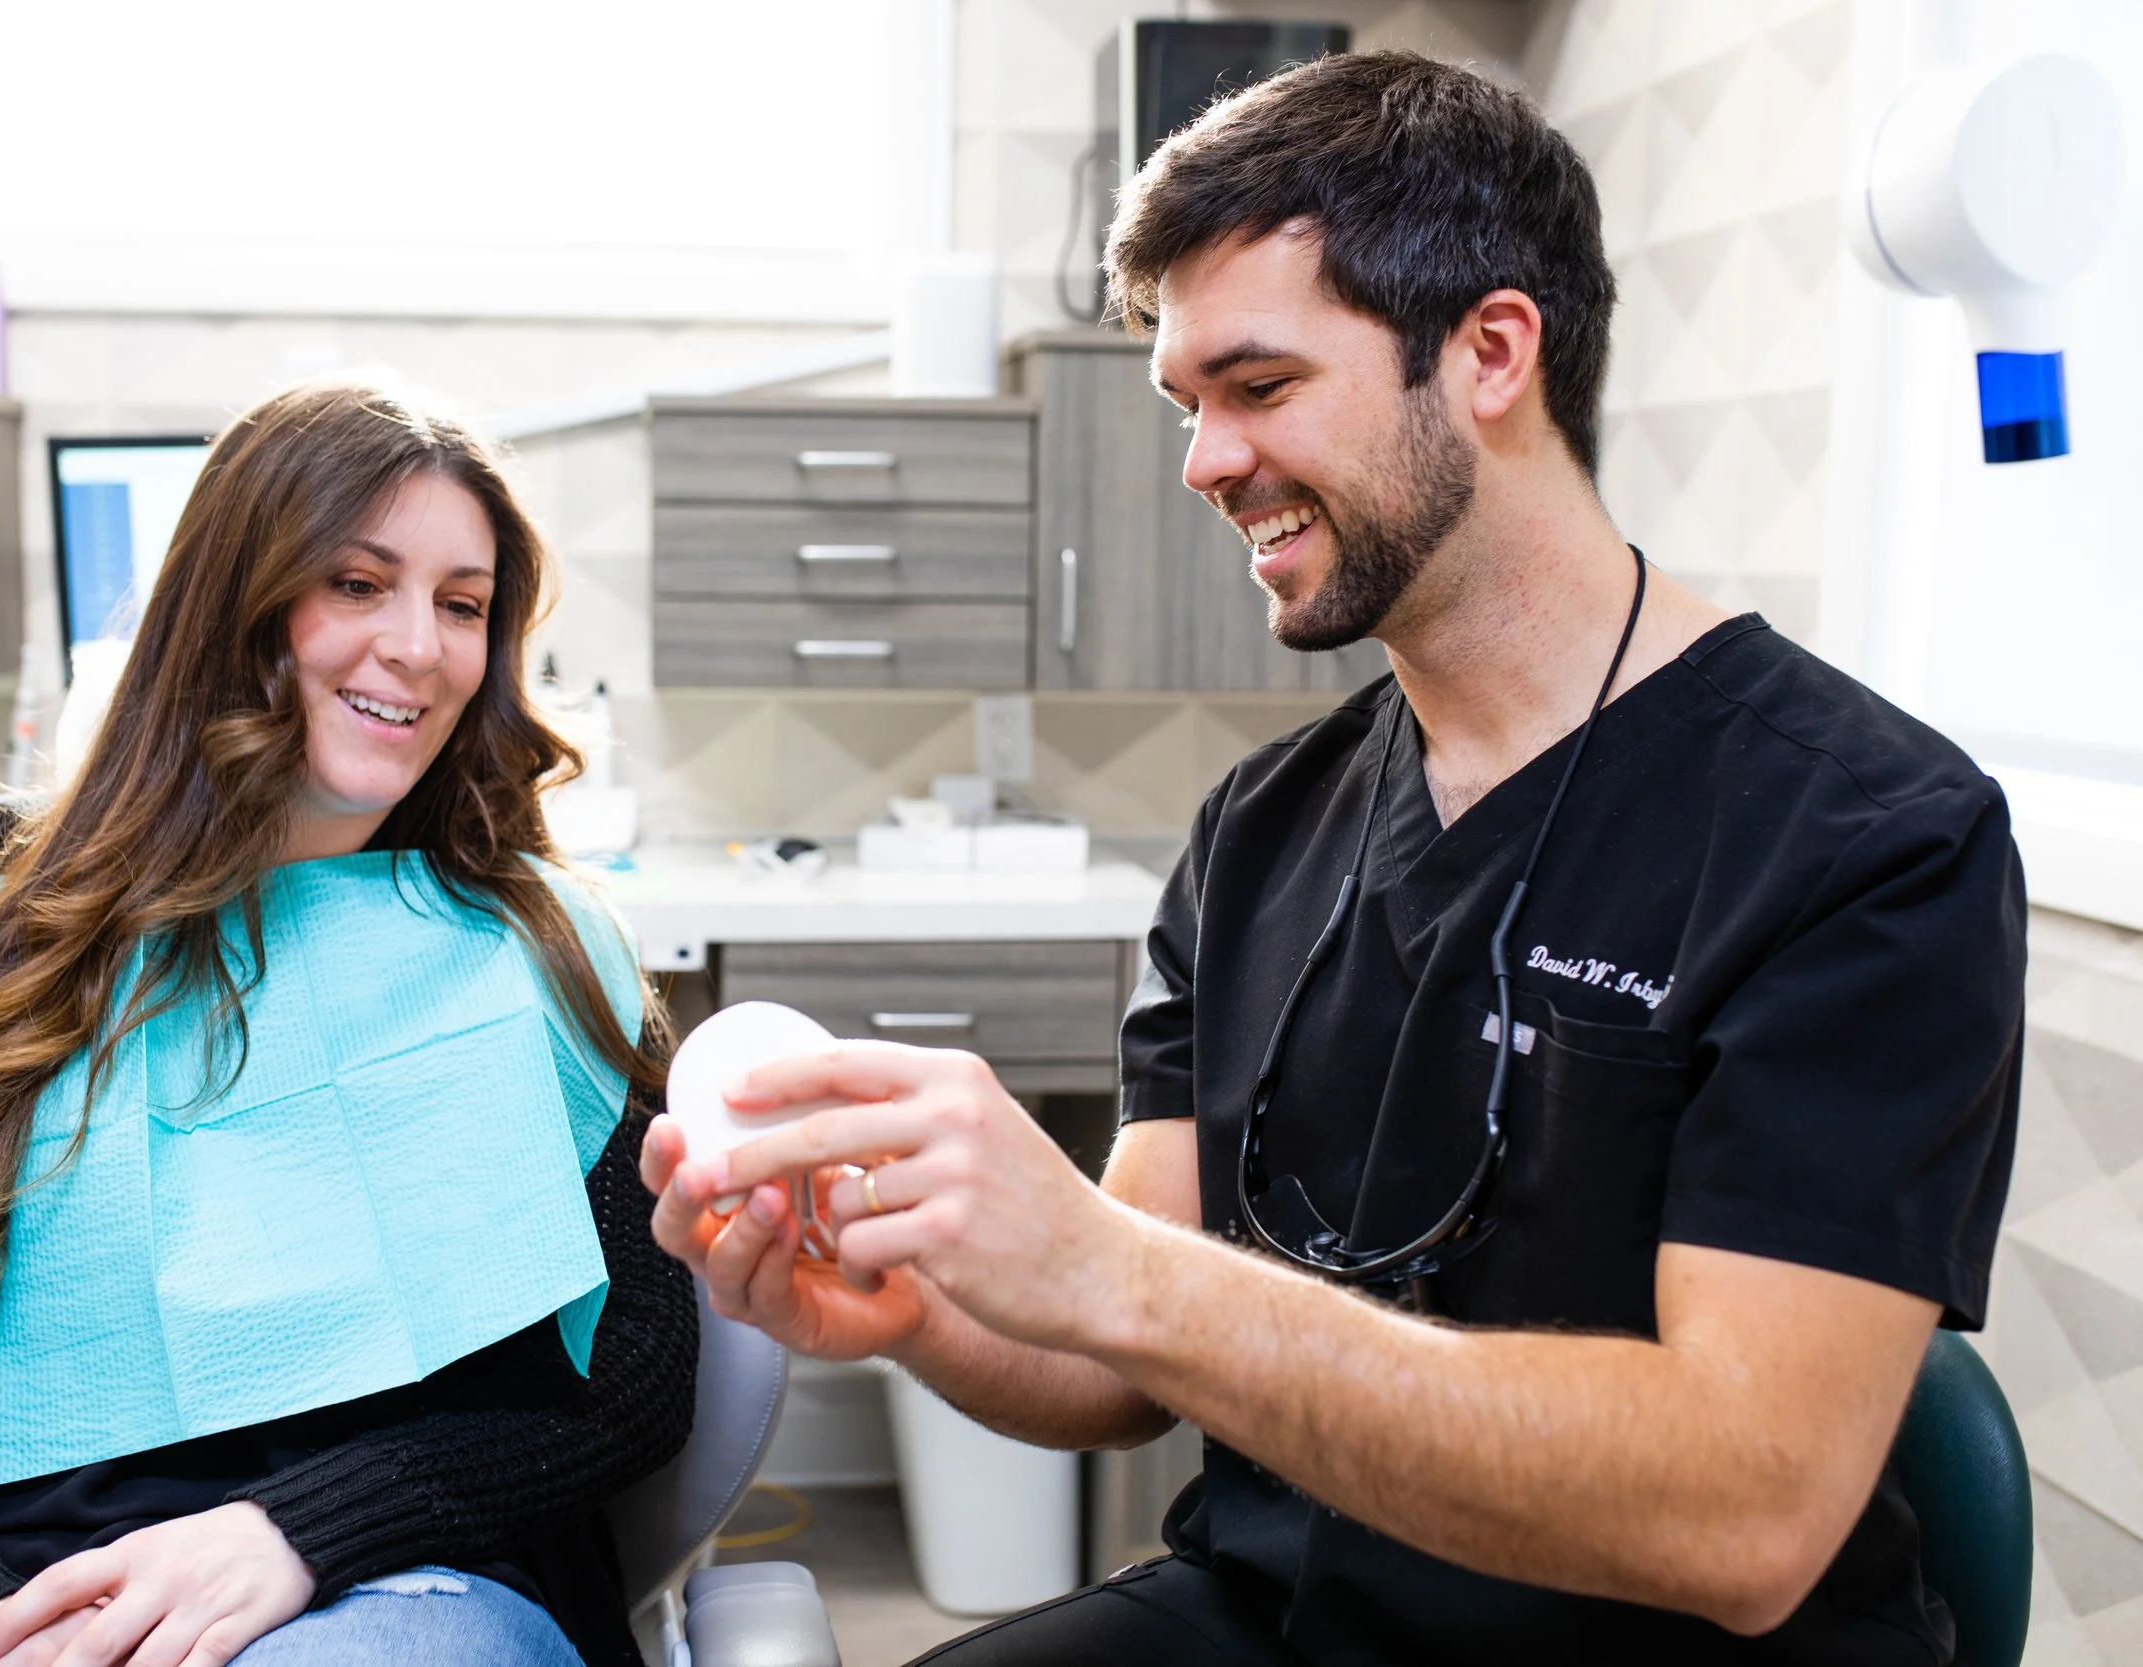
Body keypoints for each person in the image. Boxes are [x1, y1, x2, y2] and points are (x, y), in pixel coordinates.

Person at [645, 51, 2024, 1667]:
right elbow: (1115, 1366)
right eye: (1186, 404)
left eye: (1259, 384)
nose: (1203, 461)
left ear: (1492, 352)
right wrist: (906, 1311)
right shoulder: (1257, 834)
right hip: (1284, 1608)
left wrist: (1115, 1272)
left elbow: (1744, 1511)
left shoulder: (1866, 836)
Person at [0, 383, 697, 1667]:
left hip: (390, 1586)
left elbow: (637, 1368)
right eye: (357, 580)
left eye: (461, 604)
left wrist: (299, 1528)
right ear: (235, 598)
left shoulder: (542, 946)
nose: (420, 646)